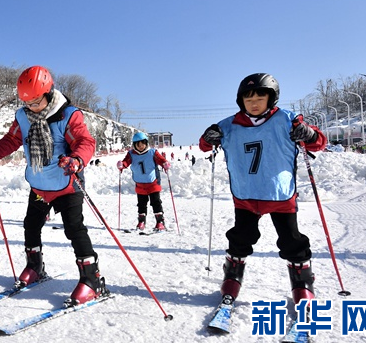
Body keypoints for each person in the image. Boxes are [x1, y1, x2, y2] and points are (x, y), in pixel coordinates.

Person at [0, 65, 106, 306]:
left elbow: (85, 141)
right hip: (39, 186)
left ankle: (91, 279)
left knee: (74, 229)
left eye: (37, 102)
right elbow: (13, 139)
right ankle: (35, 266)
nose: (32, 107)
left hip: (67, 183)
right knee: (31, 225)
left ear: (49, 92)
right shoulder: (23, 117)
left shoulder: (68, 115)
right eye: (28, 103)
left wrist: (77, 159)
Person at [199, 73, 327, 311]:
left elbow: (318, 142)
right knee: (241, 237)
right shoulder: (228, 125)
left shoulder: (288, 120)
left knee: (291, 240)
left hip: (279, 195)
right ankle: (232, 277)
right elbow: (205, 145)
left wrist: (308, 134)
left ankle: (302, 283)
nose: (254, 103)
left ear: (271, 98)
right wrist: (209, 137)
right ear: (241, 101)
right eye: (248, 99)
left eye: (260, 97)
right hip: (246, 194)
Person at [116, 131, 171, 232]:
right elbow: (126, 162)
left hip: (153, 182)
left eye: (142, 144)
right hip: (140, 184)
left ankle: (160, 222)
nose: (140, 146)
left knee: (156, 202)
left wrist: (165, 163)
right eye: (138, 145)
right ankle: (141, 221)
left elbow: (161, 160)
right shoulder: (131, 154)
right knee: (141, 203)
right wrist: (122, 165)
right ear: (134, 145)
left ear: (146, 143)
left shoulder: (153, 152)